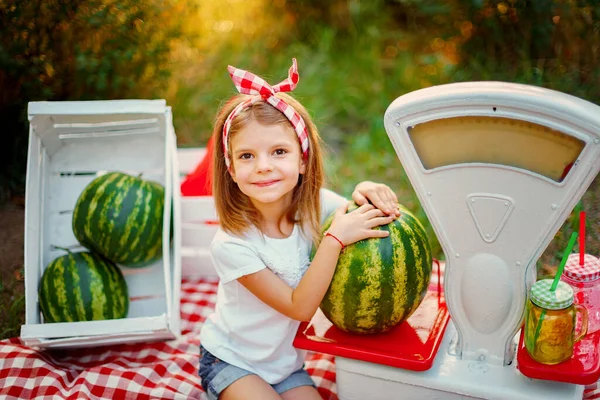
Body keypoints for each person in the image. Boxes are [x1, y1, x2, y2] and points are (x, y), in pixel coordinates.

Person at [199, 58, 401, 400]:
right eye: (247, 156)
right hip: (232, 361)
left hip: (287, 364)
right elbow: (299, 307)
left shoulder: (313, 206)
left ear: (302, 159)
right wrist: (334, 239)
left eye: (279, 151)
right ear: (230, 169)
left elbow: (351, 211)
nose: (264, 167)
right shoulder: (231, 244)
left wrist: (365, 189)